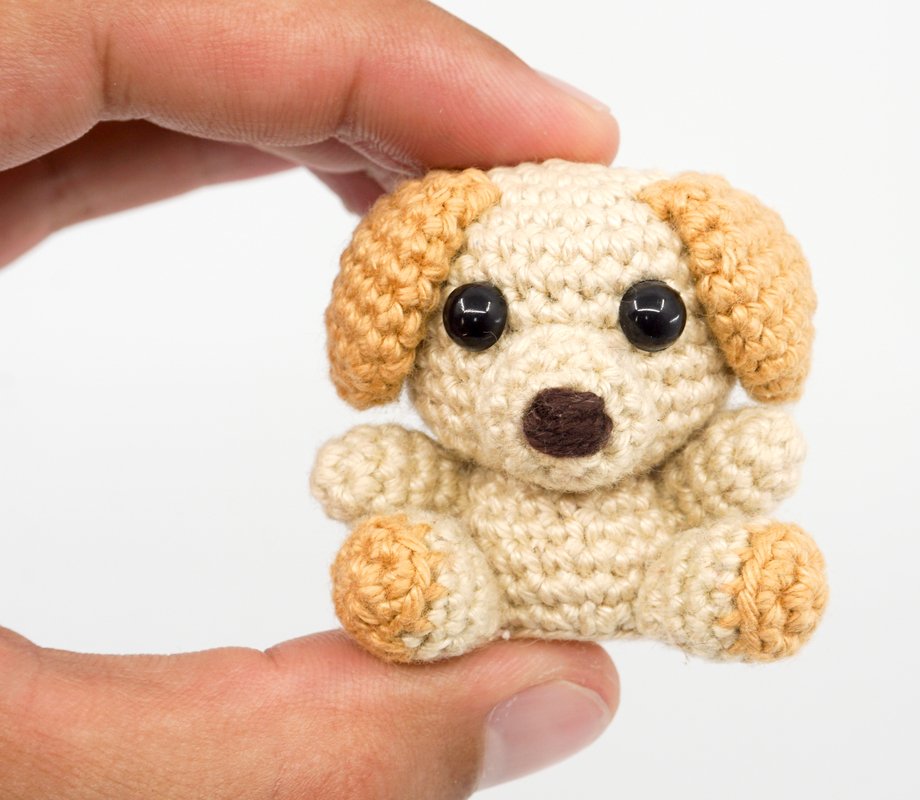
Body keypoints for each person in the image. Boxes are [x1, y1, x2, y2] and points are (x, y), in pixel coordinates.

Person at [0, 1, 621, 796]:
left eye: (649, 321)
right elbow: (382, 473)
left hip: (648, 568)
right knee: (418, 573)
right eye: (475, 319)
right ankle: (427, 590)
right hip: (477, 567)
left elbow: (733, 470)